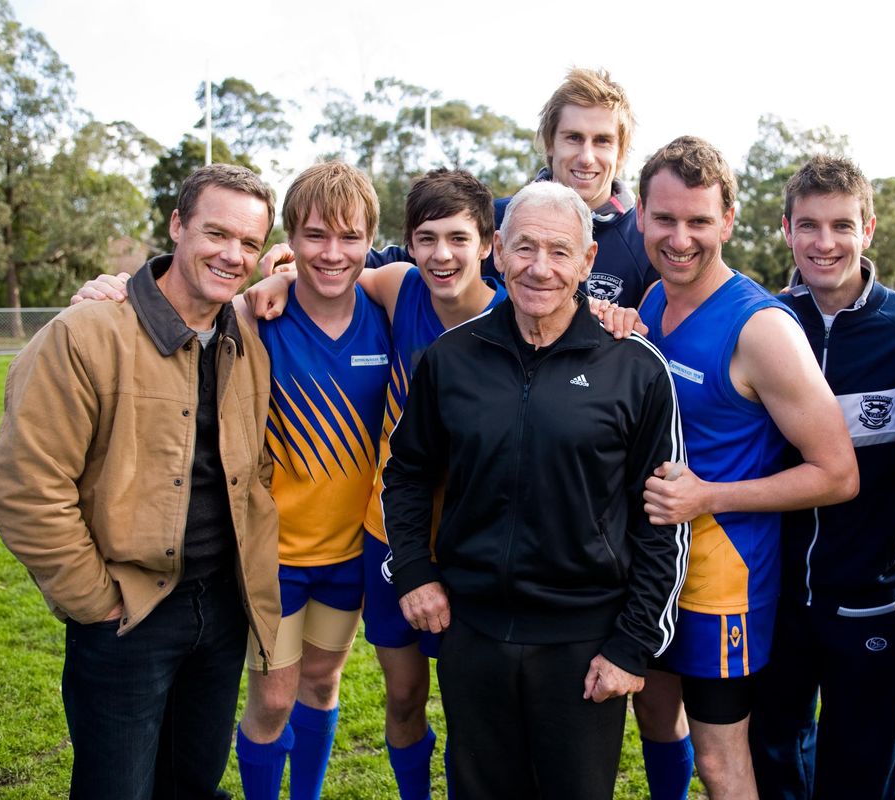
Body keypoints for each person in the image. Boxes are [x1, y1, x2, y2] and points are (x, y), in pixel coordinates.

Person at [381, 180, 688, 800]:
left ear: (587, 261)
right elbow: (408, 473)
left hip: (585, 645)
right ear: (497, 251)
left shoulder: (635, 366)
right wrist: (414, 570)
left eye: (558, 251)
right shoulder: (450, 358)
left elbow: (663, 517)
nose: (540, 268)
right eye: (524, 248)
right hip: (474, 636)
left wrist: (632, 644)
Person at [0, 164, 281, 800]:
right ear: (177, 226)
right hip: (129, 614)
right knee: (115, 787)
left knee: (192, 783)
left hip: (222, 609)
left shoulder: (245, 343)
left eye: (249, 244)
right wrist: (95, 601)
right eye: (216, 233)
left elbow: (253, 465)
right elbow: (26, 486)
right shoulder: (85, 334)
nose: (232, 255)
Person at [246, 167, 508, 799]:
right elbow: (331, 271)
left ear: (488, 245)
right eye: (426, 239)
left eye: (458, 239)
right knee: (399, 693)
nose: (442, 255)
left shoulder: (518, 318)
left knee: (478, 712)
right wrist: (279, 273)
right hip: (383, 543)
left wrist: (615, 318)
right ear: (408, 244)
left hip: (479, 548)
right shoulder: (400, 289)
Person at [632, 137, 858, 800]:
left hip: (720, 583)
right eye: (666, 219)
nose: (680, 238)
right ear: (640, 215)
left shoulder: (762, 328)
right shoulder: (650, 303)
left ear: (727, 222)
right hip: (652, 570)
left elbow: (838, 472)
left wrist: (710, 497)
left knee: (721, 761)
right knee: (654, 720)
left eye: (699, 221)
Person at [747, 156, 895, 799]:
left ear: (869, 229)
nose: (824, 243)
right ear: (785, 230)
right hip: (775, 597)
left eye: (840, 225)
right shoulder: (762, 325)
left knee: (860, 769)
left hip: (870, 598)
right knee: (773, 755)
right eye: (808, 226)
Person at [231, 161, 391, 800]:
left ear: (370, 241)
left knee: (323, 683)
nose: (332, 253)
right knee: (273, 698)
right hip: (272, 558)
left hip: (350, 553)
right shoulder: (255, 318)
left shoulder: (386, 315)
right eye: (316, 236)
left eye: (350, 237)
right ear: (290, 239)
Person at [342, 68, 656, 306]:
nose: (586, 157)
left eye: (602, 141)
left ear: (621, 151)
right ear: (549, 142)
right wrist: (298, 266)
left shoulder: (646, 241)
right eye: (573, 137)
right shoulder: (499, 217)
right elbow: (404, 257)